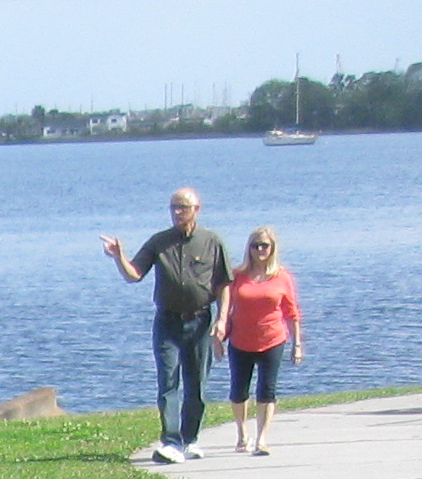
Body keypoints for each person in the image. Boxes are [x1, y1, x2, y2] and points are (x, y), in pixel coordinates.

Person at [102, 188, 231, 463]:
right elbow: (134, 275)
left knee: (196, 384)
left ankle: (190, 439)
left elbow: (223, 285)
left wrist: (222, 319)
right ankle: (170, 441)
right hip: (167, 321)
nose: (177, 213)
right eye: (173, 207)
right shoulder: (159, 242)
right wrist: (118, 257)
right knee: (168, 381)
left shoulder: (212, 242)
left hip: (200, 321)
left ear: (197, 209)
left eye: (182, 207)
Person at [215, 227, 303, 456]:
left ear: (272, 248)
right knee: (238, 391)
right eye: (256, 245)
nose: (260, 250)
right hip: (241, 340)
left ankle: (262, 439)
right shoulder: (237, 276)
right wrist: (219, 333)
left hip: (273, 339)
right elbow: (225, 306)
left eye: (265, 245)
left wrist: (297, 344)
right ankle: (242, 434)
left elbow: (291, 312)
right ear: (249, 248)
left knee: (267, 390)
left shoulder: (282, 276)